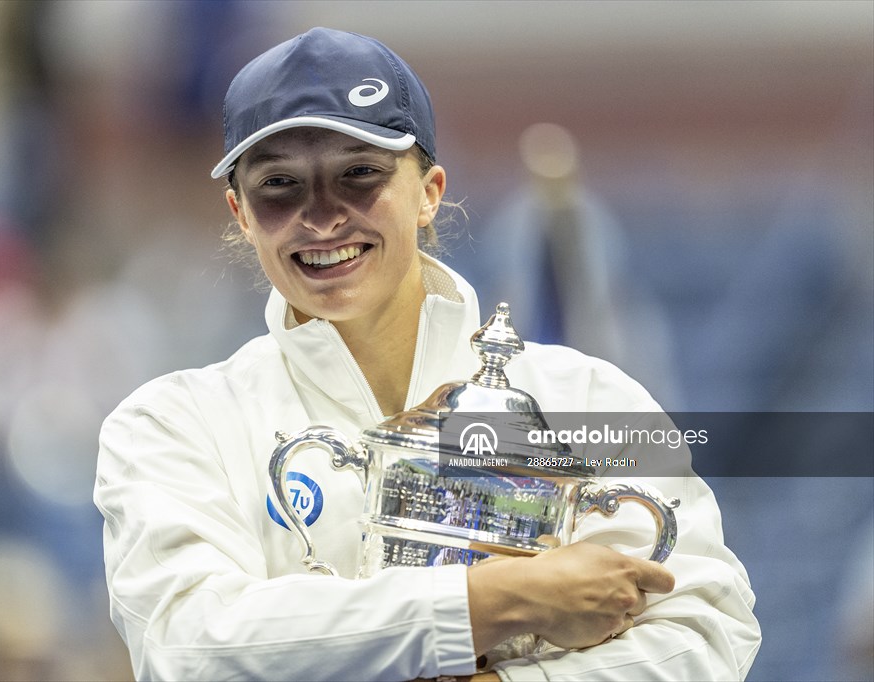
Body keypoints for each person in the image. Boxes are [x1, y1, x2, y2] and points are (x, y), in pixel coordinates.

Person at [94, 27, 761, 681]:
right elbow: (192, 649)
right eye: (279, 185)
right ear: (240, 213)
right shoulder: (172, 427)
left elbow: (706, 632)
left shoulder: (587, 400)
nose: (322, 217)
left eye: (360, 175)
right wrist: (499, 602)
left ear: (429, 192)